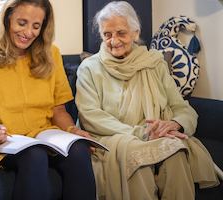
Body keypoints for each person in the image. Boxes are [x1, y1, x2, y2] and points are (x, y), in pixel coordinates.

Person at [75, 1, 220, 200]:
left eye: (121, 33)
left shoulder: (155, 63)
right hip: (113, 137)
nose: (113, 40)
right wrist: (141, 133)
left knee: (175, 152)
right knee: (138, 155)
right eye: (107, 34)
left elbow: (181, 107)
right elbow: (91, 117)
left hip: (155, 135)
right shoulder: (89, 68)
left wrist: (174, 124)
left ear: (135, 33)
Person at [0, 0, 96, 199]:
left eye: (36, 26)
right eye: (22, 23)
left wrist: (74, 131)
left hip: (46, 136)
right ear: (7, 19)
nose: (28, 32)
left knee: (79, 150)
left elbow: (59, 111)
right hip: (5, 141)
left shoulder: (52, 54)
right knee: (35, 155)